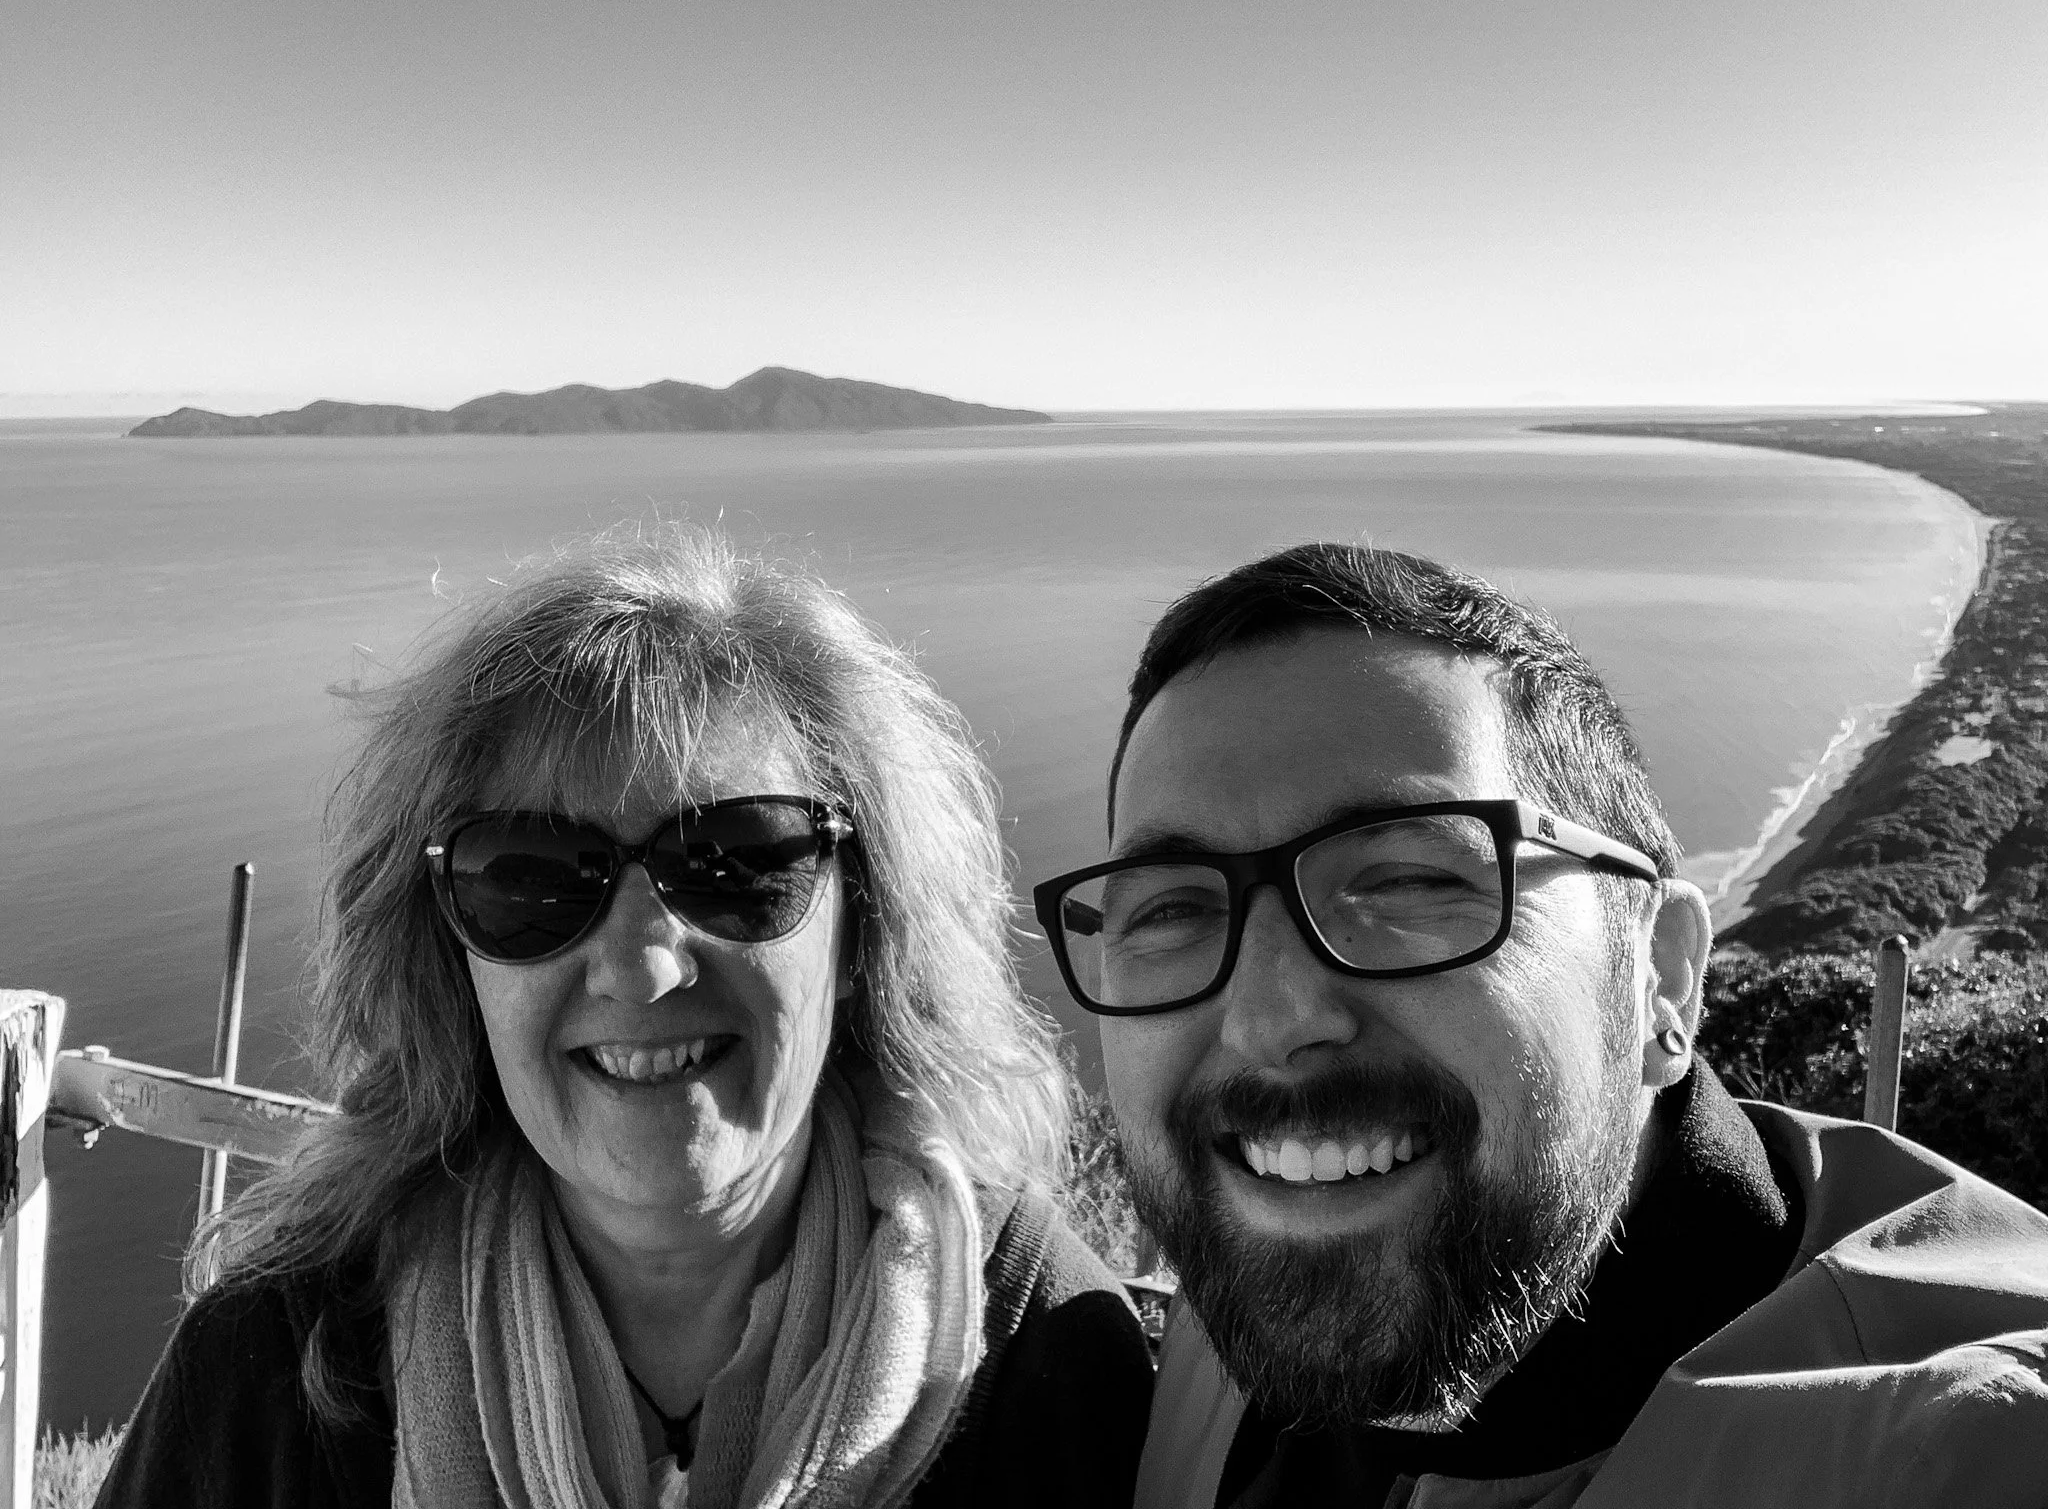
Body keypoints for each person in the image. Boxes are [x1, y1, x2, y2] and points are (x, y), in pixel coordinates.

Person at [96, 525, 1152, 1509]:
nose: (641, 970)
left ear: (862, 927)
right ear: (447, 956)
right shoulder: (284, 1363)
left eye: (737, 863)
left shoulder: (1038, 1342)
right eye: (532, 878)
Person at [1032, 541, 2048, 1508]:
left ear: (1658, 975)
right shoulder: (1235, 1305)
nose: (1267, 1021)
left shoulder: (1958, 1445)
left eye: (1408, 879)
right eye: (1169, 910)